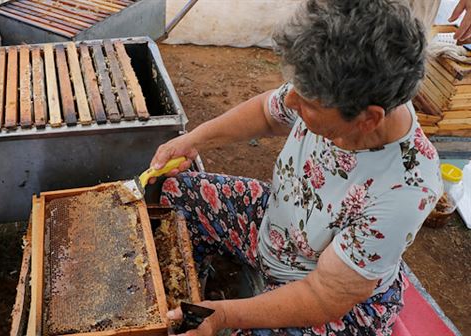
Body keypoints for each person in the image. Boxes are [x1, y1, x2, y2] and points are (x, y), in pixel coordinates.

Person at [150, 0, 442, 335]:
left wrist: (224, 316)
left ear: (369, 118)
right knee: (175, 192)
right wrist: (194, 141)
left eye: (308, 103)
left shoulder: (405, 190)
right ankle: (189, 291)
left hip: (327, 299)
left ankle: (212, 311)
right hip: (277, 227)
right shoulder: (333, 88)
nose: (291, 101)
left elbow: (323, 295)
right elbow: (266, 112)